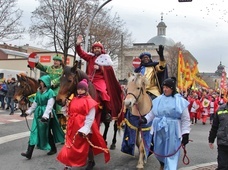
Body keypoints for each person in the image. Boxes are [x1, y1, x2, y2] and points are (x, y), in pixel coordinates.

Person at [57, 79, 110, 170]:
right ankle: (68, 164)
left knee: (86, 146)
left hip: (83, 126)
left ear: (86, 90)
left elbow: (90, 117)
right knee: (69, 145)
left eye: (82, 89)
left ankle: (91, 161)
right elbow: (69, 113)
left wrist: (85, 129)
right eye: (78, 89)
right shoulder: (73, 99)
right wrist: (65, 106)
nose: (80, 91)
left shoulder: (90, 101)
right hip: (72, 127)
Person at [139, 77, 191, 170]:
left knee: (171, 152)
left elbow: (185, 119)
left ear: (172, 88)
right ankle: (162, 165)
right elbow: (152, 113)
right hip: (159, 129)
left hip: (173, 130)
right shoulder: (158, 99)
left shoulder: (179, 101)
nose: (165, 89)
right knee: (158, 150)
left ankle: (170, 168)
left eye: (167, 87)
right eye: (164, 87)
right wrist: (145, 119)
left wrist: (185, 133)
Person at [76, 35, 123, 125]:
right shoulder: (90, 57)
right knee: (78, 88)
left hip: (99, 80)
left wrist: (100, 67)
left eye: (98, 48)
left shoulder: (105, 58)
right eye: (95, 48)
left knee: (103, 93)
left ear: (101, 49)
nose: (96, 49)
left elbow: (109, 69)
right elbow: (81, 53)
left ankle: (106, 113)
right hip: (89, 79)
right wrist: (78, 44)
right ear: (93, 50)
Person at [21, 75, 65, 160]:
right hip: (38, 113)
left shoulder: (50, 92)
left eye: (42, 82)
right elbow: (35, 103)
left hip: (46, 114)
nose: (41, 83)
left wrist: (45, 116)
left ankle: (53, 148)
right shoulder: (38, 92)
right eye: (40, 82)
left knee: (47, 132)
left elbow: (49, 106)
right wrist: (29, 111)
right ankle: (29, 153)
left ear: (46, 83)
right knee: (34, 131)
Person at [35, 55, 66, 129]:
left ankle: (59, 114)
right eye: (54, 60)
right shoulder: (49, 68)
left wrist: (54, 82)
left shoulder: (63, 70)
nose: (55, 62)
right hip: (48, 88)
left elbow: (61, 78)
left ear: (60, 62)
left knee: (58, 98)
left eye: (57, 61)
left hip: (57, 88)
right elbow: (42, 67)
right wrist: (36, 63)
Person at [208, 101, 228, 170]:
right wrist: (211, 139)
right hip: (223, 143)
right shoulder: (220, 109)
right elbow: (215, 126)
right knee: (223, 166)